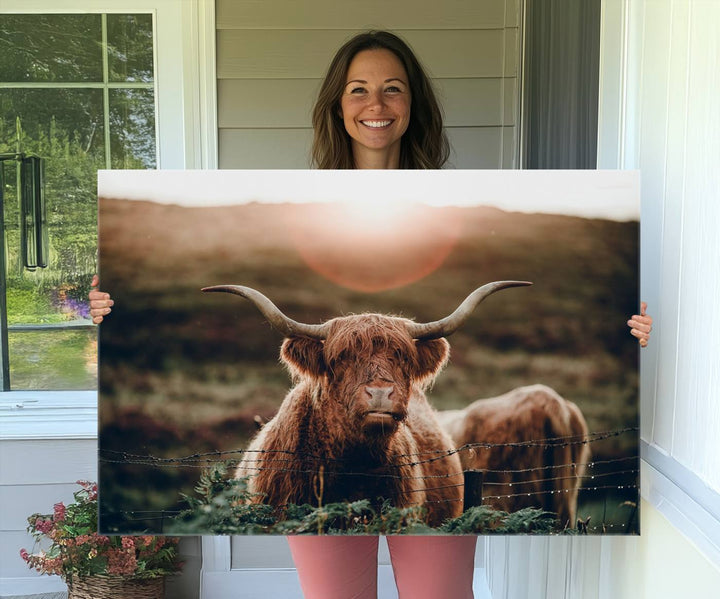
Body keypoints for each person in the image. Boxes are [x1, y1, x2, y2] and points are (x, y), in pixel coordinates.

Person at [90, 31, 652, 599]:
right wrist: (108, 312)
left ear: (413, 104)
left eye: (393, 90)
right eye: (358, 90)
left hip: (412, 470)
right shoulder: (292, 196)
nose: (376, 105)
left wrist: (635, 332)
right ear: (338, 104)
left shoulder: (457, 195)